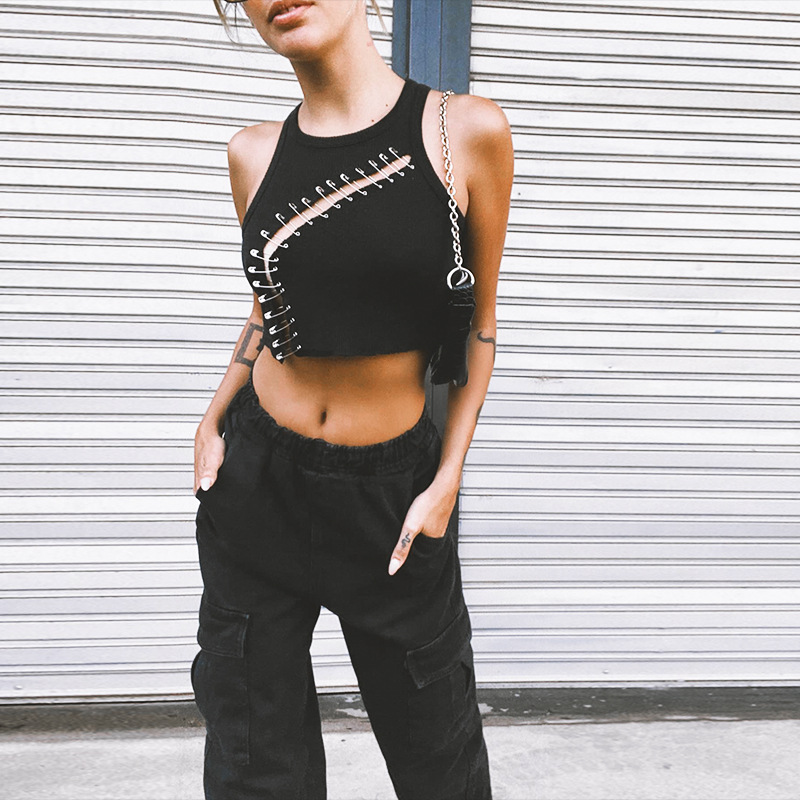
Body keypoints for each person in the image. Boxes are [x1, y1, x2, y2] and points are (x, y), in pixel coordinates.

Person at [193, 1, 513, 797]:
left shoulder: (465, 131)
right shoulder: (251, 153)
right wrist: (210, 418)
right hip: (258, 485)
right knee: (255, 765)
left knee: (439, 761)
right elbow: (269, 305)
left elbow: (481, 326)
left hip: (389, 498)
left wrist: (447, 480)